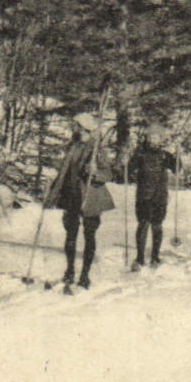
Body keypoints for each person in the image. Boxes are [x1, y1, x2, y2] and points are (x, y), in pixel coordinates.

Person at [45, 113, 113, 288]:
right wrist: (52, 195)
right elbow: (64, 173)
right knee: (70, 235)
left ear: (84, 129)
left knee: (89, 236)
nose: (73, 128)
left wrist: (95, 172)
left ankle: (85, 275)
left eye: (76, 126)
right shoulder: (72, 147)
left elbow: (108, 174)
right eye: (74, 125)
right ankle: (69, 271)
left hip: (91, 198)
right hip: (72, 195)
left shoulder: (97, 149)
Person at [128, 123, 178, 270]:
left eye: (157, 137)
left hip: (160, 195)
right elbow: (129, 169)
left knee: (157, 225)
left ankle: (155, 257)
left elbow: (176, 168)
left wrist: (177, 158)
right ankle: (140, 258)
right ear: (147, 138)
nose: (154, 140)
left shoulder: (165, 155)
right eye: (151, 137)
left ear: (161, 139)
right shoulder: (140, 154)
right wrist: (127, 162)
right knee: (143, 224)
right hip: (144, 195)